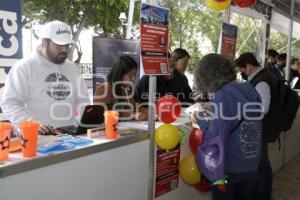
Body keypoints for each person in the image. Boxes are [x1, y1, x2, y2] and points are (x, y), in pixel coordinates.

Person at [1, 20, 89, 135]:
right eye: (59, 45)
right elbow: (10, 103)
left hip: (70, 137)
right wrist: (31, 124)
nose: (64, 50)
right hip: (36, 139)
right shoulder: (24, 67)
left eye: (67, 45)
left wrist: (87, 122)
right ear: (45, 42)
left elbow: (82, 100)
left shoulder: (72, 68)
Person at [194, 54, 262, 200]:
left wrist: (200, 118)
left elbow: (213, 135)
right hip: (252, 164)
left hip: (229, 167)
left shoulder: (221, 95)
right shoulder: (250, 89)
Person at [235, 52, 278, 200]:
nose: (242, 73)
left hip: (261, 129)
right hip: (261, 128)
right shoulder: (262, 76)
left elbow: (263, 109)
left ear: (248, 66)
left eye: (242, 69)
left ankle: (262, 195)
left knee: (260, 166)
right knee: (263, 165)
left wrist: (241, 109)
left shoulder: (262, 81)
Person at [94, 55, 147, 121]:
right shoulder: (105, 89)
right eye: (130, 75)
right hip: (110, 129)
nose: (134, 78)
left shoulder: (130, 89)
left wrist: (148, 113)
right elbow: (106, 113)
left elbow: (138, 107)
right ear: (120, 75)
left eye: (135, 74)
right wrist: (133, 115)